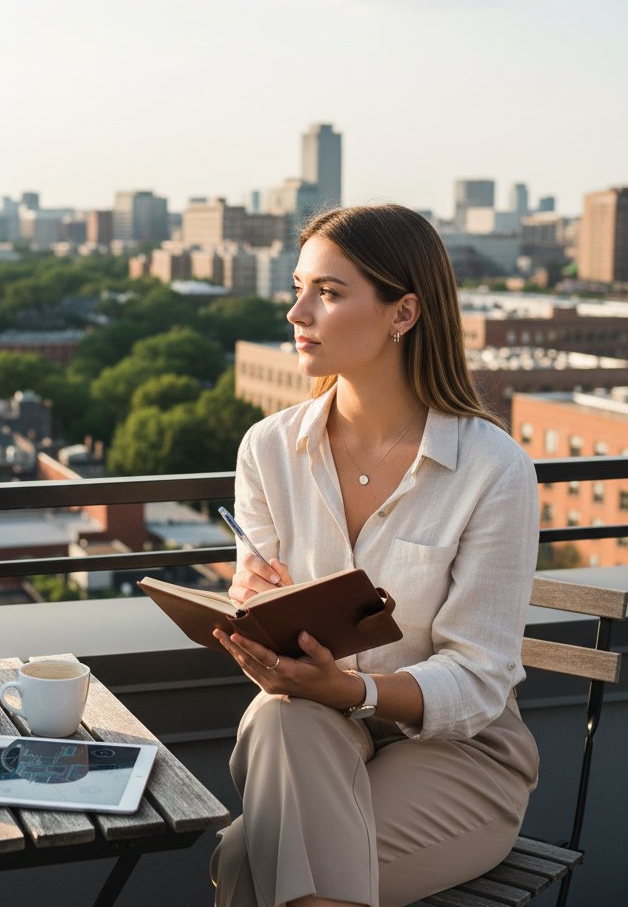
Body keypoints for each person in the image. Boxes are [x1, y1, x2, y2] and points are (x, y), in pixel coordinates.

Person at [210, 204, 540, 907]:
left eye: (328, 293)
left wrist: (354, 692)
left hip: (458, 752)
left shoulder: (492, 469)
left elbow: (481, 677)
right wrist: (256, 610)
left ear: (403, 313)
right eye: (299, 288)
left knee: (249, 857)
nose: (297, 312)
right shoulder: (267, 450)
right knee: (278, 715)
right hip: (313, 729)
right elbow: (257, 596)